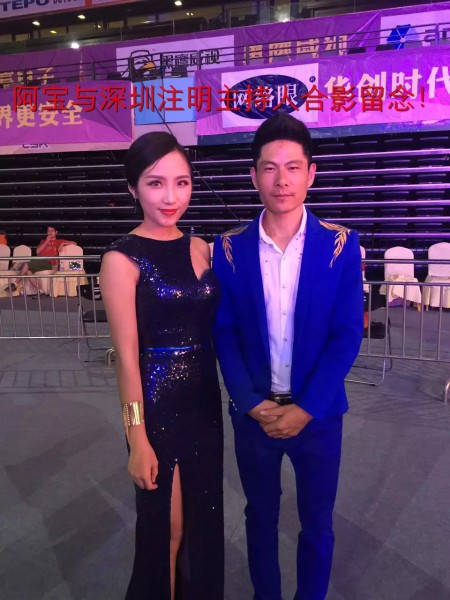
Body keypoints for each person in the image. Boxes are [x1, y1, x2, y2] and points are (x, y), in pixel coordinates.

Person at [213, 113, 363, 600]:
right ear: (253, 176)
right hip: (253, 414)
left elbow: (346, 336)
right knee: (259, 516)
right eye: (270, 168)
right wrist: (249, 402)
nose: (282, 180)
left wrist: (306, 408)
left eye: (293, 167)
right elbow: (226, 333)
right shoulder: (228, 249)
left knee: (317, 523)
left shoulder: (341, 245)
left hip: (318, 416)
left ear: (311, 174)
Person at [100, 132, 224, 600]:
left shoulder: (201, 247)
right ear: (133, 188)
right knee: (164, 533)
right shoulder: (121, 258)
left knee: (202, 526)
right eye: (156, 183)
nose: (171, 197)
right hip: (155, 409)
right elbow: (126, 358)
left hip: (204, 404)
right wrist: (137, 438)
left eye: (182, 182)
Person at [4, 226, 76, 293]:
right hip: (39, 261)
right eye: (48, 231)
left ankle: (15, 283)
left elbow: (74, 243)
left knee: (26, 264)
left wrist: (63, 243)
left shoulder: (59, 241)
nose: (50, 233)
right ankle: (40, 290)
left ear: (56, 232)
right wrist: (46, 241)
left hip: (49, 263)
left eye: (52, 231)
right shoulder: (43, 241)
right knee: (28, 271)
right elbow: (37, 251)